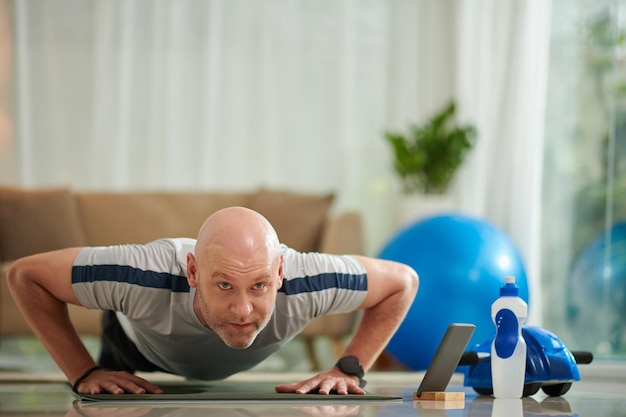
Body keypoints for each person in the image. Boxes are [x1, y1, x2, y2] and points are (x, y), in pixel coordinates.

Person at [7, 206, 418, 396]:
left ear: (279, 274)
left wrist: (350, 368)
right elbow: (26, 276)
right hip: (137, 352)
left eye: (259, 286)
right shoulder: (140, 272)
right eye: (224, 285)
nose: (243, 310)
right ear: (192, 273)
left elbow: (403, 281)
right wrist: (82, 372)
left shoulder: (309, 278)